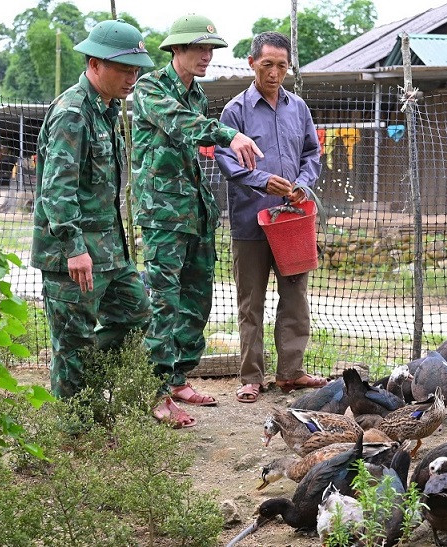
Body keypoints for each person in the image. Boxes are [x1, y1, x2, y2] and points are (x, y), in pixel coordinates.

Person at [132, 14, 263, 426]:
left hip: (195, 211)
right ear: (177, 50)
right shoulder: (151, 87)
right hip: (161, 213)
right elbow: (179, 123)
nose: (207, 56)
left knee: (196, 299)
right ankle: (154, 393)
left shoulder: (197, 93)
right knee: (162, 301)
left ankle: (178, 378)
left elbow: (194, 132)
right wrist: (229, 134)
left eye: (211, 49)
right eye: (200, 49)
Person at [32, 19, 153, 399]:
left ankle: (89, 391)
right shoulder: (74, 111)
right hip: (73, 253)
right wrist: (74, 247)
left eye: (136, 70)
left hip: (109, 251)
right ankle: (72, 428)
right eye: (124, 69)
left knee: (136, 315)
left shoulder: (107, 108)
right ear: (95, 64)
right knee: (73, 343)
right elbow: (57, 189)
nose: (132, 78)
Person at [215, 31, 328, 404]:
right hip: (250, 223)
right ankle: (251, 377)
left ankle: (291, 373)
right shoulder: (235, 111)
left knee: (295, 296)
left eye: (282, 65)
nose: (275, 73)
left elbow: (313, 153)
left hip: (292, 221)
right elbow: (227, 160)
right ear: (252, 64)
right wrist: (264, 180)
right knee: (251, 302)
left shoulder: (299, 108)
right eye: (267, 65)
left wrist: (302, 183)